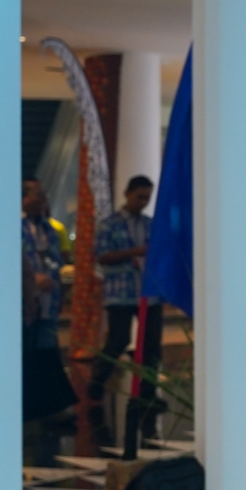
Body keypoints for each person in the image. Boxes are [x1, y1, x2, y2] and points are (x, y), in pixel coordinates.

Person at [90, 175, 162, 456]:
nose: (143, 202)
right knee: (118, 340)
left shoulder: (150, 224)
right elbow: (102, 256)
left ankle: (148, 394)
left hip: (147, 292)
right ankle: (96, 388)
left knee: (151, 345)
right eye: (139, 197)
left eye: (147, 198)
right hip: (120, 292)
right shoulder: (109, 224)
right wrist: (134, 252)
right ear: (127, 194)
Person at [20, 178, 77, 425]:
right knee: (27, 350)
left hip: (47, 297)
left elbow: (57, 258)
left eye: (44, 195)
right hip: (23, 298)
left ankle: (50, 407)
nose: (43, 200)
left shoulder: (49, 228)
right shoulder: (13, 226)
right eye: (37, 195)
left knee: (46, 349)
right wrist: (32, 279)